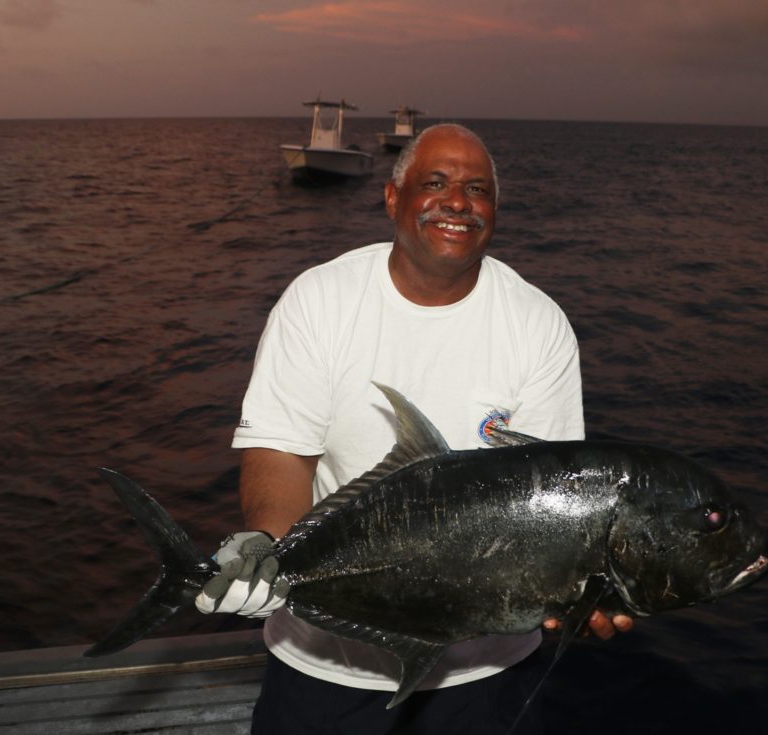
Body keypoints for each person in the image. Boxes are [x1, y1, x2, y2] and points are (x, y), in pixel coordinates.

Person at [197, 123, 633, 734]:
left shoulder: (538, 324)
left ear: (495, 212)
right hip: (324, 664)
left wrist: (583, 589)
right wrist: (270, 551)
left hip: (486, 676)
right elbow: (281, 451)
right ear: (392, 198)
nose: (458, 201)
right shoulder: (319, 300)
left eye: (477, 189)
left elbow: (551, 500)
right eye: (436, 183)